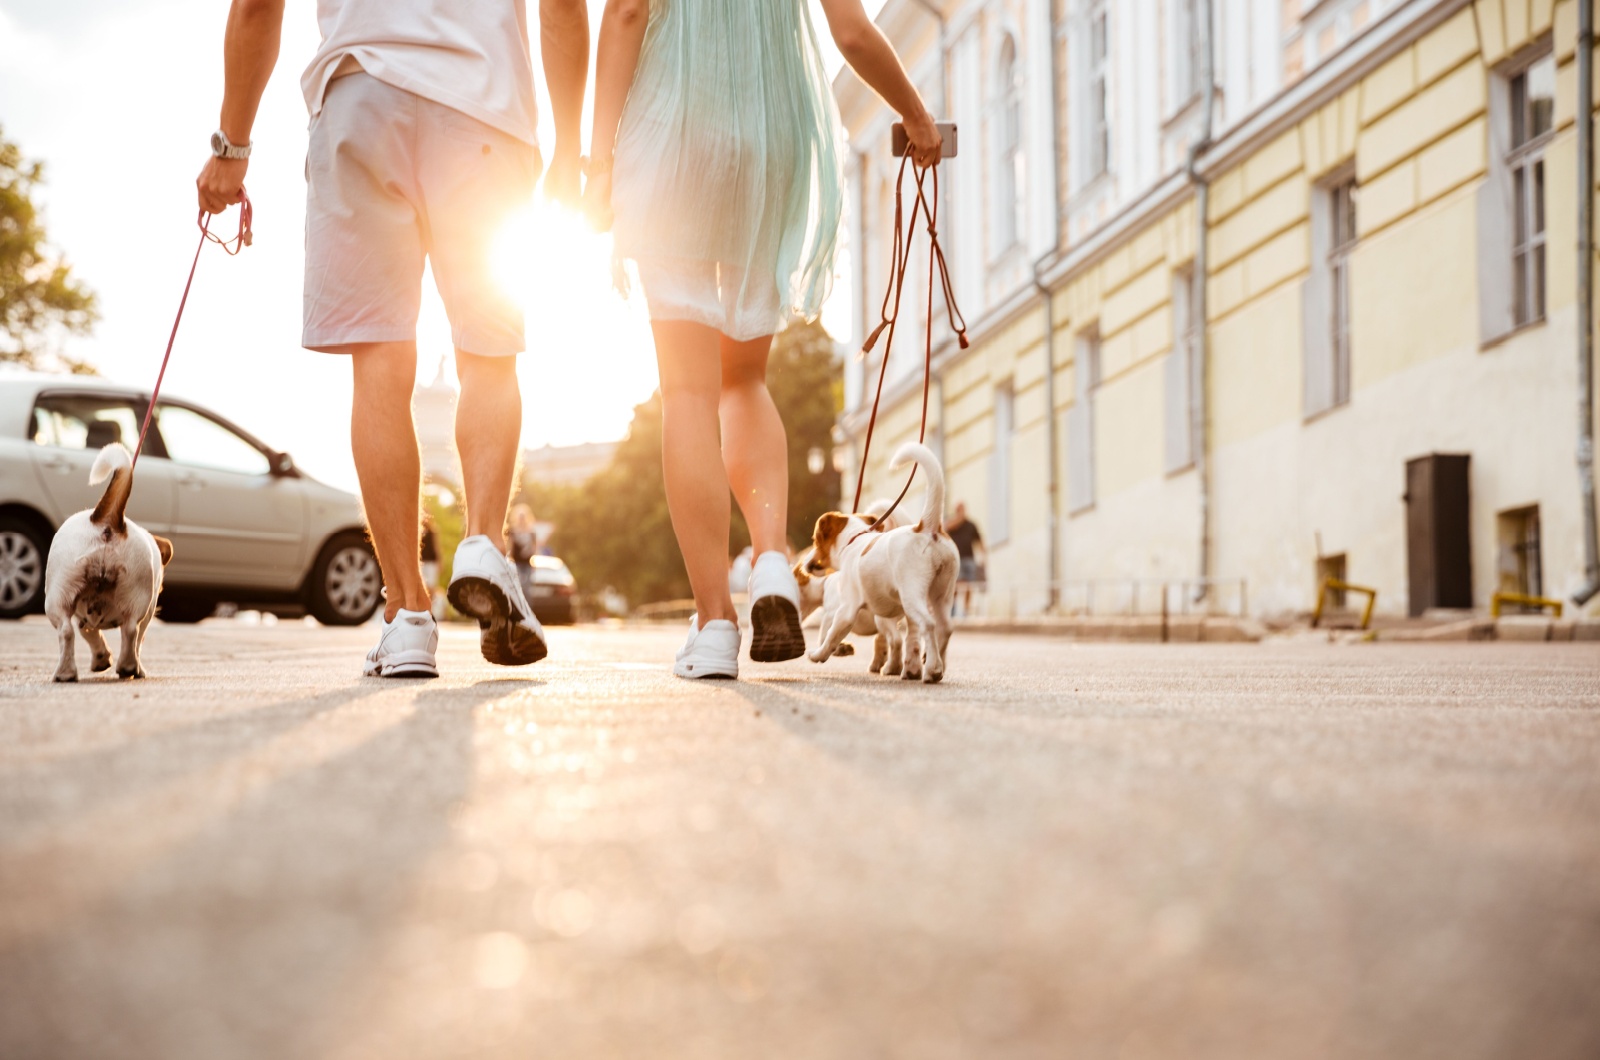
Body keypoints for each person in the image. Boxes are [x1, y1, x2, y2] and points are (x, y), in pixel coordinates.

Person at [196, 0, 590, 678]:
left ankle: (408, 618)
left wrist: (232, 148)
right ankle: (481, 545)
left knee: (380, 360)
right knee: (488, 355)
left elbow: (258, 7)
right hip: (485, 107)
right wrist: (570, 145)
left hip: (360, 96)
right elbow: (561, 7)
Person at [585, 0, 941, 679]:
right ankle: (773, 561)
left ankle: (715, 624)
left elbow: (627, 10)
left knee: (689, 389)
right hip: (768, 139)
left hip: (674, 131)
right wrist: (916, 117)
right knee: (743, 378)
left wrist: (598, 160)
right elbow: (852, 33)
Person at [945, 502, 986, 617]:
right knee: (955, 584)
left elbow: (979, 540)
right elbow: (947, 527)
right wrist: (959, 519)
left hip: (969, 558)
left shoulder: (971, 525)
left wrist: (983, 556)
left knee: (969, 584)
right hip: (956, 558)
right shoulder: (953, 522)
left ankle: (966, 610)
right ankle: (952, 609)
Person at [507, 504, 540, 598]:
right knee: (517, 586)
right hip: (517, 563)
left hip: (527, 563)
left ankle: (527, 607)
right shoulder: (513, 531)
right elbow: (511, 547)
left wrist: (534, 563)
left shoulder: (531, 531)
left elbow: (534, 548)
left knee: (527, 588)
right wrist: (510, 560)